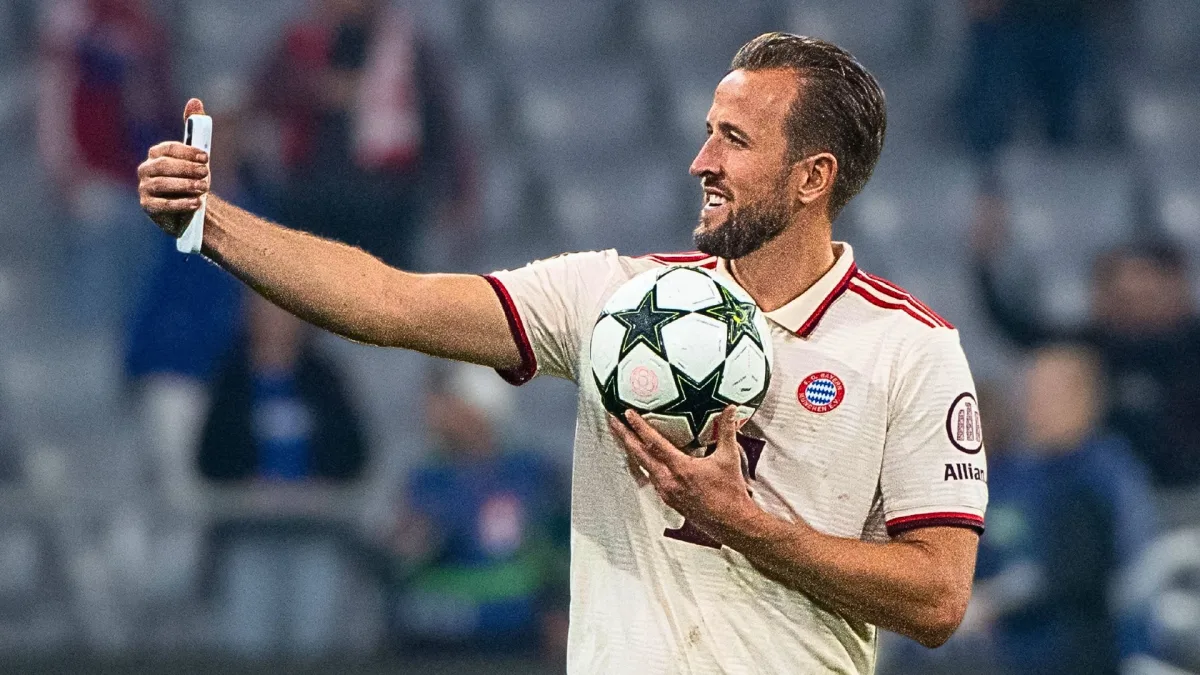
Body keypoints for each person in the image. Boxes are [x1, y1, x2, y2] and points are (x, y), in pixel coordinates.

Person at [137, 33, 987, 674]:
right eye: (707, 132)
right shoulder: (617, 301)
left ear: (812, 178)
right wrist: (214, 222)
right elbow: (388, 301)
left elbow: (939, 598)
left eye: (735, 139)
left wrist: (749, 527)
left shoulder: (908, 349)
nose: (702, 161)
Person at [971, 192, 1200, 487]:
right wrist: (986, 266)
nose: (1135, 304)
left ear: (1175, 289)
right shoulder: (1093, 344)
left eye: (1147, 295)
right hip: (1103, 492)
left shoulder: (1193, 342)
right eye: (1124, 297)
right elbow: (1021, 330)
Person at [969, 345, 1157, 674]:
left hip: (1089, 647)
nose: (1037, 405)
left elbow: (1127, 564)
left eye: (1053, 392)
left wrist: (1002, 597)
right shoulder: (1008, 477)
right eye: (1031, 391)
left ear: (1087, 398)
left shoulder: (1107, 473)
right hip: (1000, 652)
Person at [258, 0, 477, 270]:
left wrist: (458, 189)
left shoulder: (406, 47)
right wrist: (319, 89)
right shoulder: (304, 41)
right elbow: (266, 94)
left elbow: (440, 123)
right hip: (315, 198)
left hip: (387, 203)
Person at [385, 362, 569, 658]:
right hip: (446, 618)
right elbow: (406, 550)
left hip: (520, 616)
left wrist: (557, 605)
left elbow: (557, 545)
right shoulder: (429, 476)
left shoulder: (531, 470)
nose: (436, 414)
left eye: (450, 402)